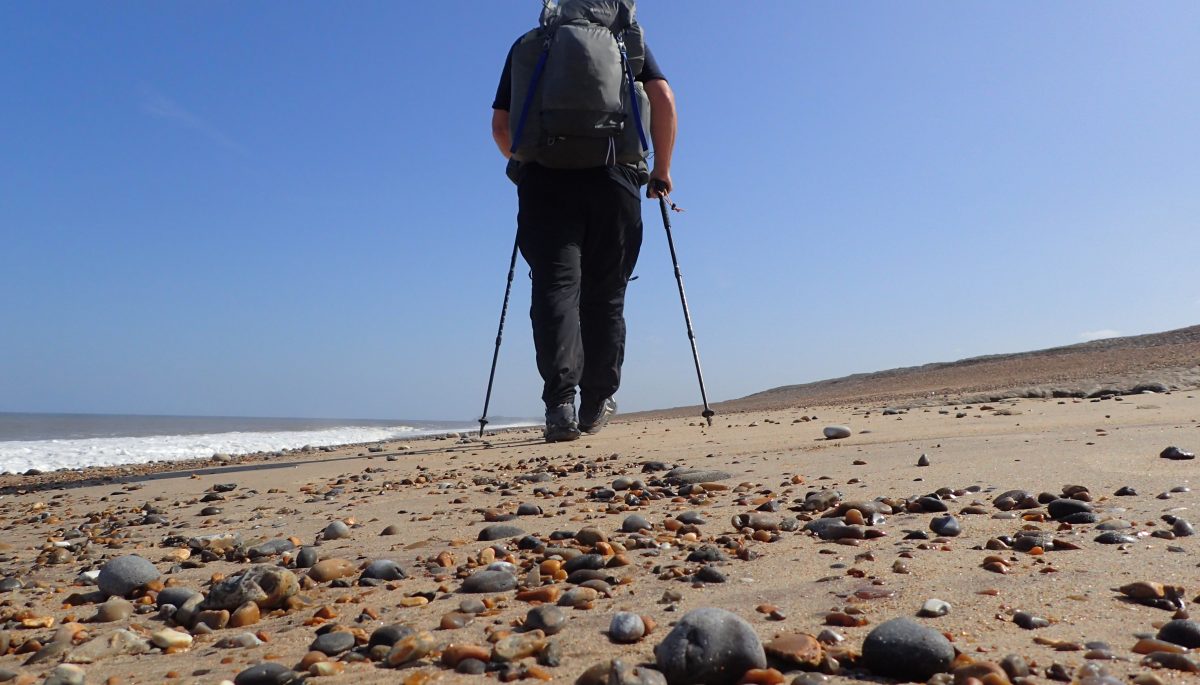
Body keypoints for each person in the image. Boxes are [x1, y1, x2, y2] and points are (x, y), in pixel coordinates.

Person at [491, 10, 677, 443]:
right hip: (616, 178)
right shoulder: (627, 41)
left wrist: (528, 163)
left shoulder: (530, 45)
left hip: (545, 183)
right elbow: (663, 99)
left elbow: (501, 126)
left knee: (555, 288)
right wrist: (662, 172)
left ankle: (560, 405)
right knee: (607, 292)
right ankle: (597, 402)